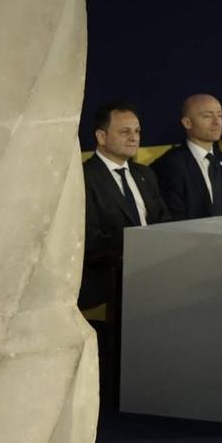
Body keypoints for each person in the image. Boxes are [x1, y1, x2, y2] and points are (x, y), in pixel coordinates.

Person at [81, 101, 169, 309]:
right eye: (125, 132)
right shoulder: (84, 178)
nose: (134, 138)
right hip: (110, 281)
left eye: (137, 131)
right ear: (101, 137)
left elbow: (164, 221)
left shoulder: (145, 174)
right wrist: (138, 245)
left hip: (155, 273)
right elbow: (89, 239)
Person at [152, 93, 222, 220]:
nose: (217, 122)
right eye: (207, 116)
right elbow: (174, 219)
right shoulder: (170, 165)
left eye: (220, 115)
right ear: (187, 123)